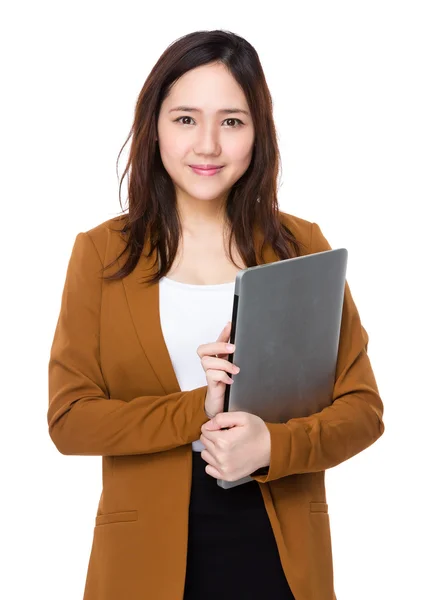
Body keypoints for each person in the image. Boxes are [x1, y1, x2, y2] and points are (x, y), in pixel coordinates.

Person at [47, 29, 385, 600]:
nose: (207, 145)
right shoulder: (102, 252)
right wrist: (196, 410)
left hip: (281, 556)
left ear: (259, 133)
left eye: (232, 121)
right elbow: (70, 420)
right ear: (154, 127)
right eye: (185, 119)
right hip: (144, 564)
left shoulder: (302, 245)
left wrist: (273, 448)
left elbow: (362, 409)